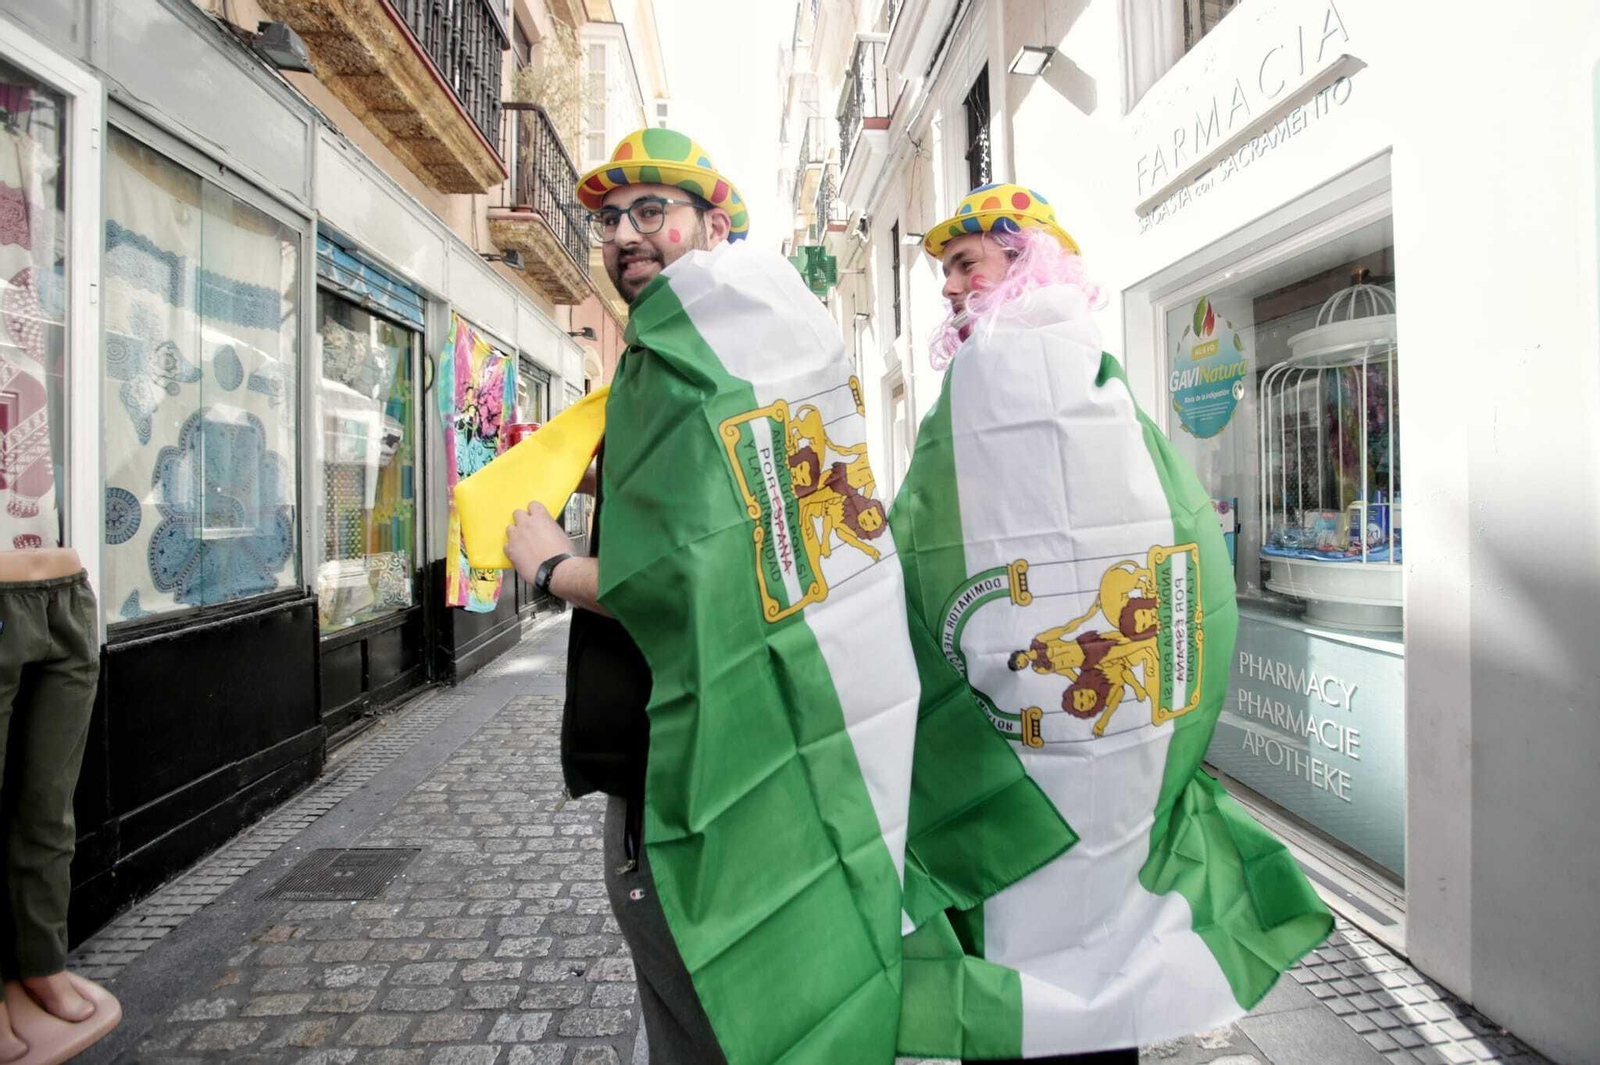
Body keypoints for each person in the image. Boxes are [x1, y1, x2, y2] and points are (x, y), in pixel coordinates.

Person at [502, 128, 745, 1065]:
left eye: (653, 211)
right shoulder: (696, 349)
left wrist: (553, 565)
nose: (624, 233)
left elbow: (694, 577)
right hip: (684, 747)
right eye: (609, 217)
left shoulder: (691, 364)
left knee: (696, 1016)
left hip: (683, 759)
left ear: (712, 228)